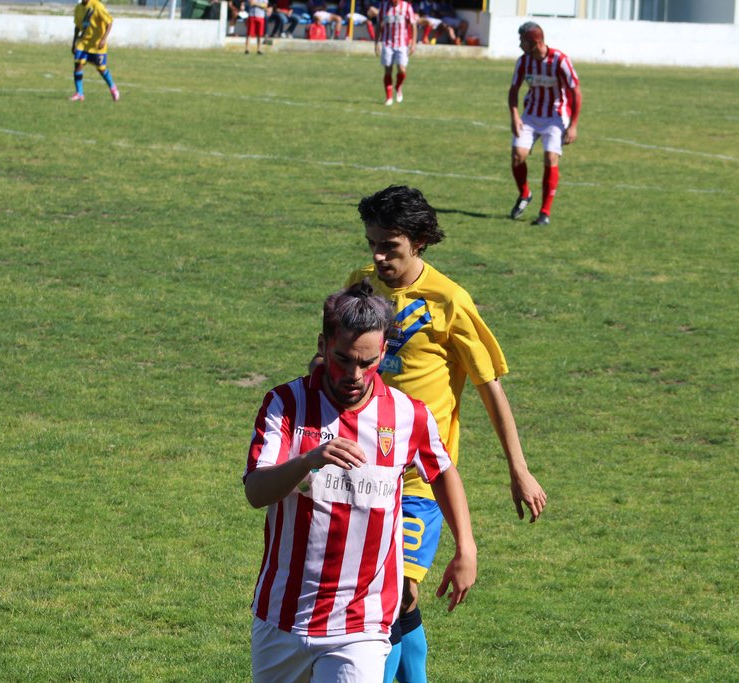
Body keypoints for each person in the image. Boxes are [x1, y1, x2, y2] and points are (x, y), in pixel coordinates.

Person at [339, 185, 547, 683]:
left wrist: (518, 469)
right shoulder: (362, 287)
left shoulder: (450, 301)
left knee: (397, 594)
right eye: (372, 243)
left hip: (419, 481)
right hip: (363, 472)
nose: (378, 256)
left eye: (390, 246)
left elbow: (489, 387)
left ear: (420, 241)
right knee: (391, 600)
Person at [246, 281, 477, 683]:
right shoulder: (285, 404)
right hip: (282, 617)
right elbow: (256, 491)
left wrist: (466, 547)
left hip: (362, 624)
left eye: (368, 362)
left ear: (383, 352)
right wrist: (307, 461)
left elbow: (442, 471)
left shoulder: (408, 415)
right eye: (343, 359)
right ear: (323, 345)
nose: (354, 374)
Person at [507, 21, 582, 226]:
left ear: (536, 42)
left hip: (556, 116)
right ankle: (525, 194)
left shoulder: (560, 60)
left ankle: (544, 213)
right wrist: (515, 116)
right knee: (517, 155)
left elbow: (576, 92)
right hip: (531, 114)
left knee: (550, 157)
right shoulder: (523, 61)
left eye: (523, 41)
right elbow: (513, 90)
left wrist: (573, 125)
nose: (520, 45)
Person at [70, 0, 119, 102]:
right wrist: (74, 42)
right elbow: (77, 27)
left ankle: (113, 87)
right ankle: (79, 93)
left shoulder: (97, 6)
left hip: (97, 44)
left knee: (101, 69)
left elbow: (109, 22)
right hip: (83, 43)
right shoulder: (78, 8)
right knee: (78, 65)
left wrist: (103, 39)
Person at [375, 0, 415, 106]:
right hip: (387, 43)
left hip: (402, 44)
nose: (393, 3)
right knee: (388, 70)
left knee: (402, 69)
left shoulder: (406, 6)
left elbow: (413, 25)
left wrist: (413, 43)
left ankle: (398, 86)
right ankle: (389, 97)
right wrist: (376, 42)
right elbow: (378, 24)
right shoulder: (383, 6)